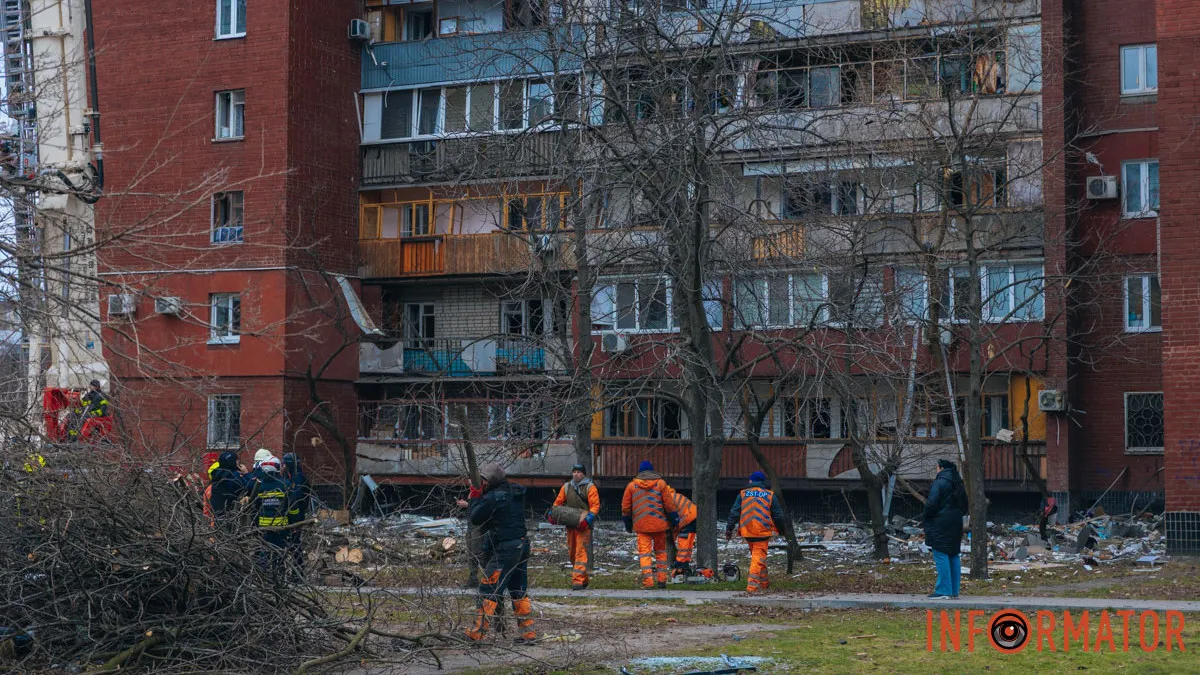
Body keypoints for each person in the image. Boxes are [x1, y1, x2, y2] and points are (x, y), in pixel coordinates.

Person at [456, 462, 536, 643]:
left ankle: (476, 634)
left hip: (506, 549)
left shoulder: (493, 497)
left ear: (490, 480)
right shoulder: (515, 492)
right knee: (518, 590)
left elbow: (476, 518)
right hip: (522, 545)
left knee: (487, 589)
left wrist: (476, 497)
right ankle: (528, 634)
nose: (481, 483)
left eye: (483, 480)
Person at [621, 460, 678, 590]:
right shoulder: (661, 484)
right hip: (659, 526)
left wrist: (628, 523)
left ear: (640, 472)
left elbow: (626, 508)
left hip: (641, 527)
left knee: (645, 554)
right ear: (652, 471)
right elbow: (669, 505)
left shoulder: (632, 486)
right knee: (661, 553)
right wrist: (674, 520)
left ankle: (648, 582)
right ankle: (662, 580)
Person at [725, 472, 785, 593]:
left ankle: (764, 583)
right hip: (762, 531)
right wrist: (782, 529)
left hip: (747, 531)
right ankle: (752, 587)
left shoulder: (742, 494)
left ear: (752, 481)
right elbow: (778, 515)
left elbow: (734, 512)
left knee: (758, 557)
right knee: (758, 558)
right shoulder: (769, 495)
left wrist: (729, 529)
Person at [923, 459, 968, 600]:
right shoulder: (958, 483)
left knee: (940, 552)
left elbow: (931, 504)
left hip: (940, 521)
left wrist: (928, 517)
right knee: (953, 554)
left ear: (941, 468)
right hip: (956, 521)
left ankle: (943, 590)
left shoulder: (939, 482)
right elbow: (965, 504)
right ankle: (954, 590)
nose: (936, 470)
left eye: (936, 467)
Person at [552, 463, 600, 590]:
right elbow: (558, 502)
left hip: (584, 525)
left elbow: (595, 506)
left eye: (579, 472)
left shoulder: (590, 487)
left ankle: (577, 581)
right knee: (572, 552)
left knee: (580, 552)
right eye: (574, 472)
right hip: (570, 523)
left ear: (583, 474)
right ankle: (583, 578)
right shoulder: (566, 487)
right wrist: (553, 514)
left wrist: (588, 519)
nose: (576, 474)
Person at [248, 456, 291, 574]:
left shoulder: (259, 486)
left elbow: (254, 507)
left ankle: (263, 576)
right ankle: (280, 574)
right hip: (282, 526)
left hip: (263, 527)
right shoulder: (284, 484)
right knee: (280, 552)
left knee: (264, 552)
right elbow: (290, 505)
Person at [282, 453, 312, 575]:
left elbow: (298, 498)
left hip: (296, 516)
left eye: (284, 463)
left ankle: (297, 572)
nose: (282, 466)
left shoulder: (298, 478)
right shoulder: (288, 476)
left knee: (295, 542)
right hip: (289, 515)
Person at [208, 451, 248, 529]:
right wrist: (246, 474)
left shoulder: (217, 474)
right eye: (236, 461)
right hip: (231, 516)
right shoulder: (233, 476)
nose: (238, 463)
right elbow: (247, 488)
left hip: (218, 516)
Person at [669, 488, 698, 577]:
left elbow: (670, 522)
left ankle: (680, 563)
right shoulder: (673, 496)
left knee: (684, 541)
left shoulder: (666, 500)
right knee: (688, 542)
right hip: (692, 515)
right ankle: (685, 563)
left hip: (687, 517)